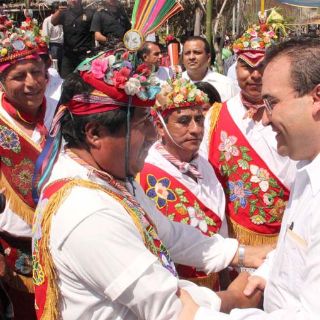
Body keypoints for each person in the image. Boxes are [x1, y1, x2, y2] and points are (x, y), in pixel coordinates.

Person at [32, 49, 272, 319]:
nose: (151, 136)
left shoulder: (110, 179)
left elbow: (166, 233)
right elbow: (169, 310)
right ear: (95, 134)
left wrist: (240, 254)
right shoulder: (88, 212)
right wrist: (233, 299)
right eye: (142, 124)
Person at [179, 35, 320, 320]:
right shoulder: (308, 165)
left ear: (317, 98)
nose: (264, 118)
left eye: (272, 102)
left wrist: (201, 316)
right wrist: (270, 271)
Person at [200, 25, 297, 248]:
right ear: (235, 67)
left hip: (287, 236)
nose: (254, 75)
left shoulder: (292, 113)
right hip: (232, 238)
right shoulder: (216, 115)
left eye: (262, 66)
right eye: (245, 66)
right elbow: (206, 176)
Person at [138, 77, 226, 289]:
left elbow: (220, 228)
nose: (196, 129)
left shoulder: (203, 165)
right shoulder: (144, 173)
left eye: (199, 119)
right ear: (159, 127)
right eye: (184, 121)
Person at [0, 24, 53, 319]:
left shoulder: (62, 114)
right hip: (15, 253)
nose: (31, 82)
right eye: (18, 76)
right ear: (2, 82)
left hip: (64, 244)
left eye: (36, 72)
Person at [182, 36, 239, 102]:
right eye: (187, 53)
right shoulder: (171, 86)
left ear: (208, 57)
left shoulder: (227, 85)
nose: (191, 57)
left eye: (197, 52)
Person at [51, 0, 94, 78]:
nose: (74, 1)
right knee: (65, 81)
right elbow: (53, 22)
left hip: (85, 55)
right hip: (68, 55)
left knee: (86, 82)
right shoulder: (64, 13)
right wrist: (59, 11)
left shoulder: (89, 13)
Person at [41, 1, 64, 74]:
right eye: (60, 9)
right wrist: (48, 50)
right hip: (54, 46)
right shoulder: (47, 20)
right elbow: (45, 35)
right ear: (56, 10)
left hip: (63, 46)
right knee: (55, 68)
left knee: (63, 67)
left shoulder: (63, 18)